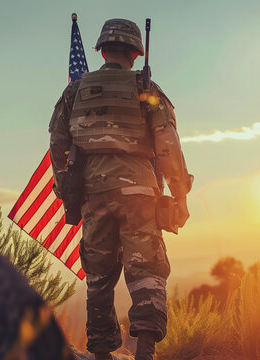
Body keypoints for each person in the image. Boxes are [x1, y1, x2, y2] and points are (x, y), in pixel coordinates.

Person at [48, 18, 192, 360]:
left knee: (98, 275)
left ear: (101, 49)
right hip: (139, 194)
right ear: (135, 52)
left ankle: (101, 354)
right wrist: (180, 195)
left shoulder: (75, 91)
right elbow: (167, 145)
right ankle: (144, 352)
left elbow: (57, 142)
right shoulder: (147, 89)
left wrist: (66, 187)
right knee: (147, 270)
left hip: (92, 194)